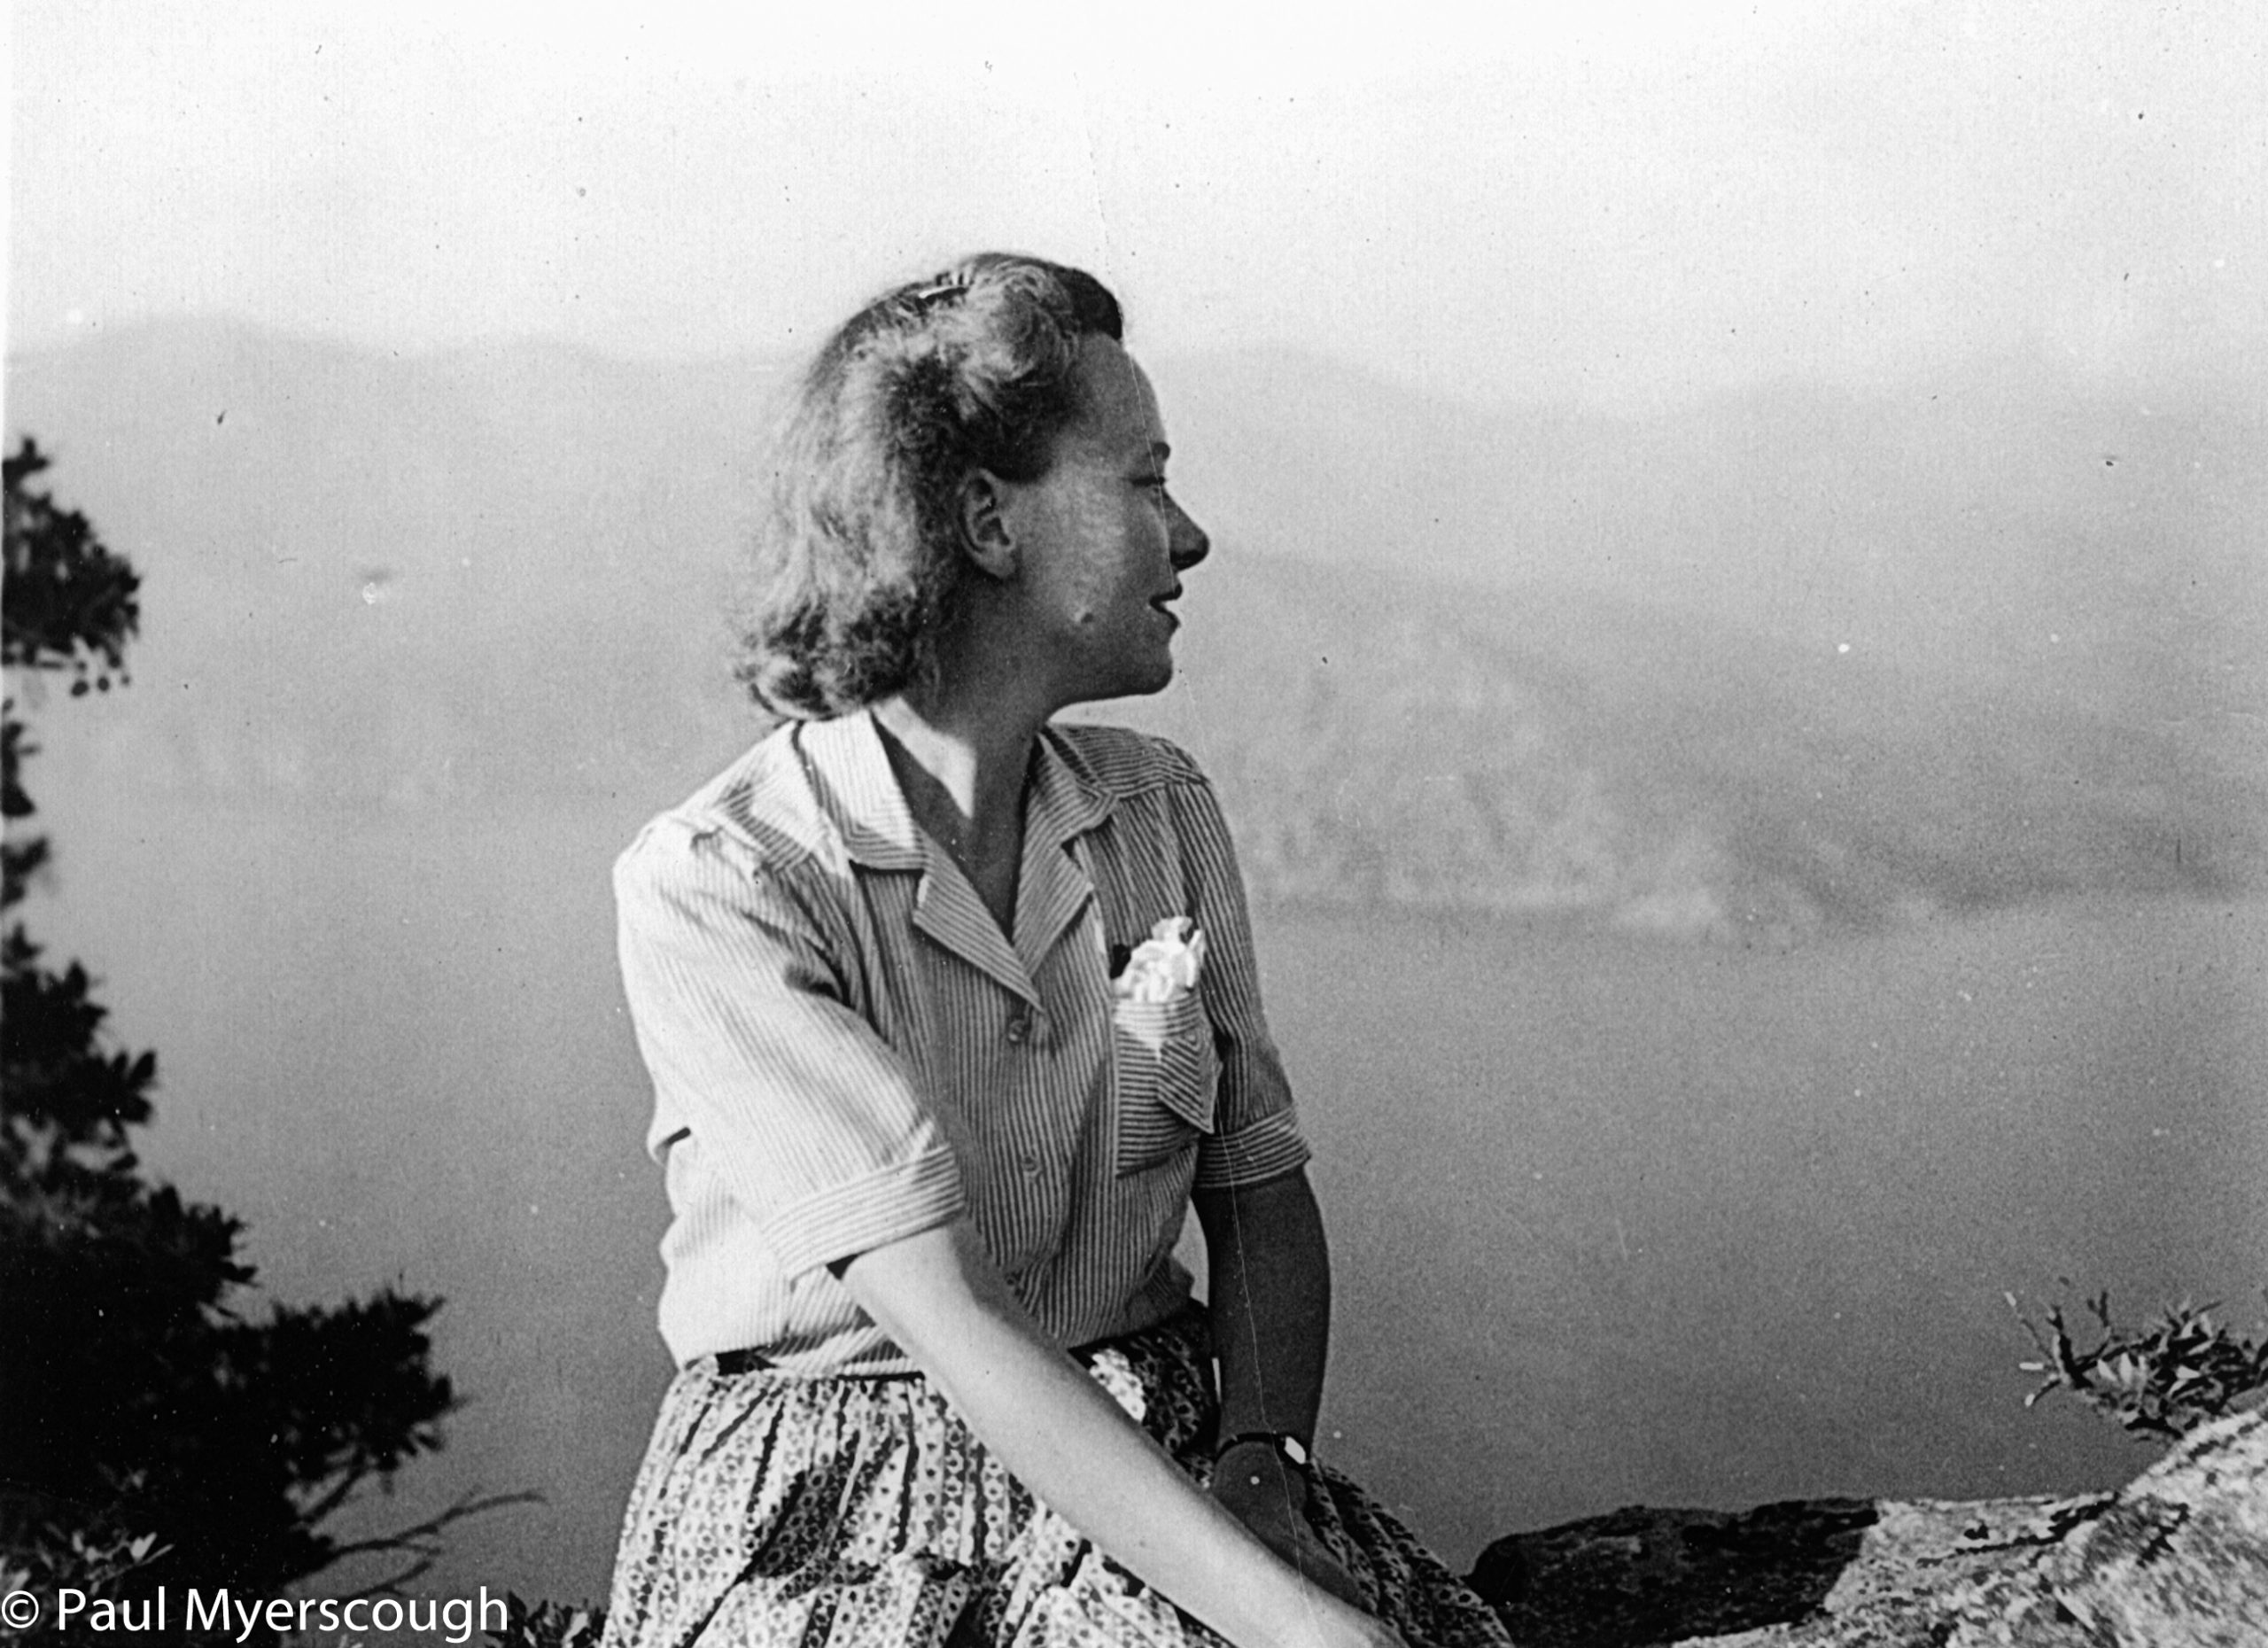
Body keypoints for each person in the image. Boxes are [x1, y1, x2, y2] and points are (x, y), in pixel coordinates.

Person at [600, 253, 1512, 1648]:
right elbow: (956, 1321)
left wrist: (1265, 1462)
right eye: (1145, 482)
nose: (1190, 537)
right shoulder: (726, 885)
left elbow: (1258, 1189)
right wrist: (1298, 1630)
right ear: (987, 521)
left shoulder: (1161, 809)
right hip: (847, 1505)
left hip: (1172, 1450)